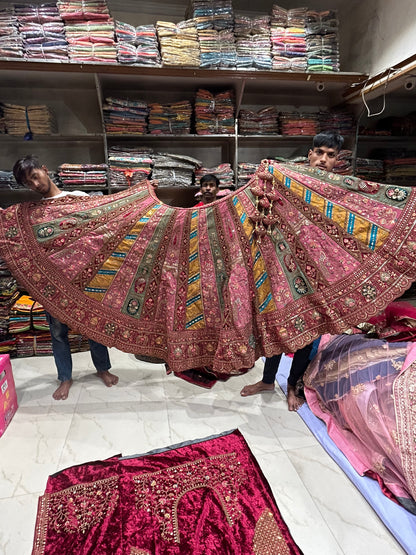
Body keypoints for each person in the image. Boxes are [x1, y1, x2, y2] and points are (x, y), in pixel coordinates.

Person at [240, 131, 344, 410]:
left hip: (321, 273)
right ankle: (266, 380)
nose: (323, 160)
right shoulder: (288, 182)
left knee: (310, 334)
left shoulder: (340, 190)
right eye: (319, 152)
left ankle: (292, 386)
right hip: (283, 267)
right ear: (309, 154)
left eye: (330, 155)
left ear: (337, 160)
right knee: (276, 325)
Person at [12, 155, 119, 400]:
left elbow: (108, 220)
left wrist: (138, 194)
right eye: (28, 184)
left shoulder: (79, 199)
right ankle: (65, 378)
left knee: (93, 327)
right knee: (58, 333)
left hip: (85, 281)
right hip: (54, 285)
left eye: (35, 177)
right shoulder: (34, 213)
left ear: (45, 170)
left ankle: (102, 369)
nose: (35, 185)